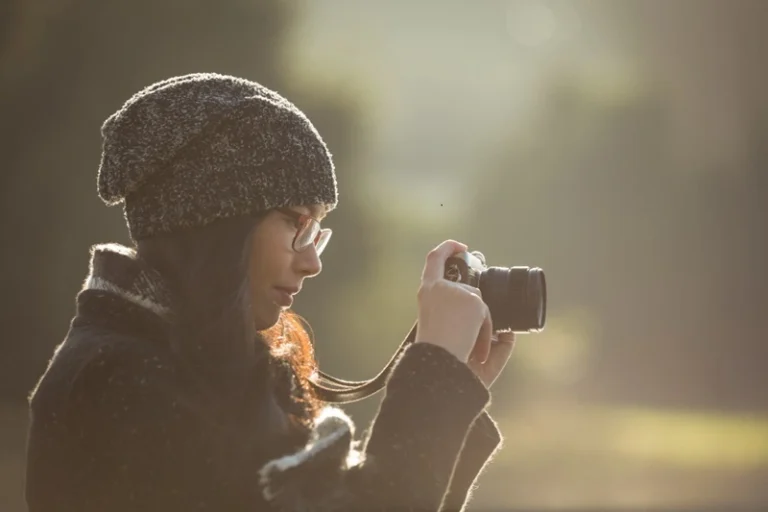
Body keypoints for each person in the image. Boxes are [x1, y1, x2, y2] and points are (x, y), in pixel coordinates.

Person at [24, 72, 516, 512]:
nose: (312, 261)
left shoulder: (184, 361)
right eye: (295, 223)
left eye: (317, 231)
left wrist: (455, 384)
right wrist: (435, 374)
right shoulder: (120, 383)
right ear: (217, 217)